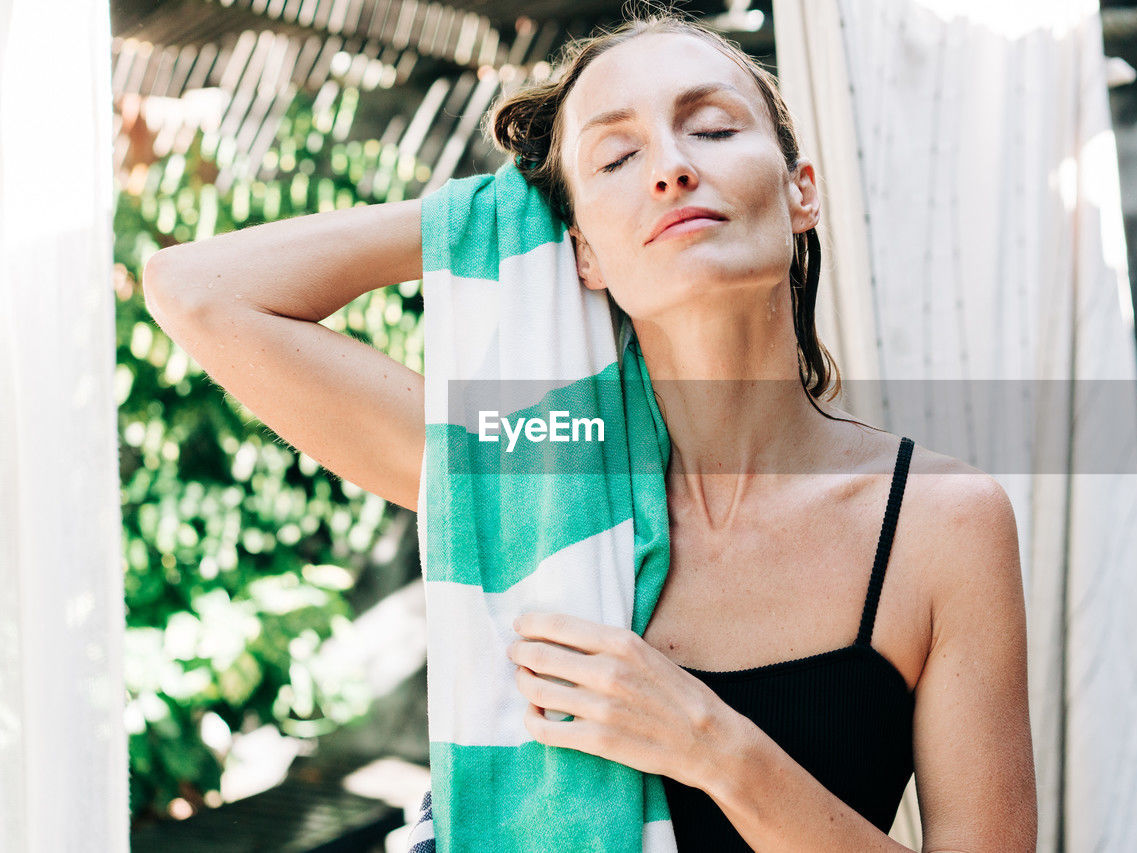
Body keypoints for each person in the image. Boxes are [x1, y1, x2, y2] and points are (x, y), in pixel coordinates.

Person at [144, 9, 1036, 851]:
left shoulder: (941, 523)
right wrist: (485, 224)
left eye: (714, 130)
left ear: (802, 191)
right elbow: (196, 291)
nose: (671, 169)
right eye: (616, 157)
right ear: (581, 252)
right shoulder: (526, 478)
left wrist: (715, 746)